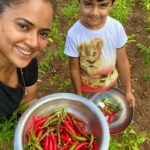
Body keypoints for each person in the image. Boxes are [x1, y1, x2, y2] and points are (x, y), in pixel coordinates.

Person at [64, 0, 135, 107]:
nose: (95, 13)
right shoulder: (74, 34)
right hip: (87, 88)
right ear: (79, 2)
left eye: (103, 5)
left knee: (108, 110)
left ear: (111, 5)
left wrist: (128, 90)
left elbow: (123, 61)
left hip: (111, 83)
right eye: (88, 4)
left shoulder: (116, 27)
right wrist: (79, 96)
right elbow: (74, 68)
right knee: (91, 116)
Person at [0, 0, 56, 117]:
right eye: (23, 26)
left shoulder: (28, 63)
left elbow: (28, 100)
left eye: (43, 33)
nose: (34, 43)